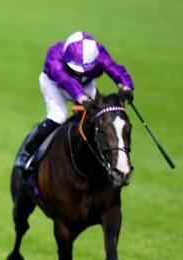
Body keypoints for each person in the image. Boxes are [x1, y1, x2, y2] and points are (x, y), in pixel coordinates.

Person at [15, 31, 134, 170]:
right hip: (54, 84)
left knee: (98, 117)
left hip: (84, 84)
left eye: (84, 69)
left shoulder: (99, 53)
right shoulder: (54, 55)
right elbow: (65, 79)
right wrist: (80, 96)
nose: (80, 72)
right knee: (58, 116)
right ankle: (27, 151)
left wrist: (126, 85)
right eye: (76, 68)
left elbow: (113, 68)